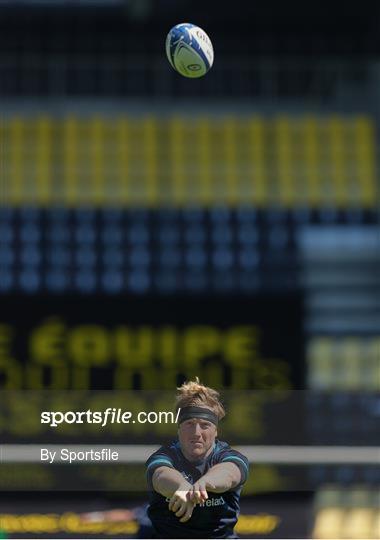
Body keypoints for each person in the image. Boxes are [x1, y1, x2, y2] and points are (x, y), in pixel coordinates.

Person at [145, 377, 249, 538]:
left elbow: (229, 474)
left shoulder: (228, 456)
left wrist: (203, 484)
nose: (196, 433)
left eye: (204, 425)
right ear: (179, 429)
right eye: (189, 424)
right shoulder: (165, 455)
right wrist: (182, 486)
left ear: (216, 431)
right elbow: (160, 475)